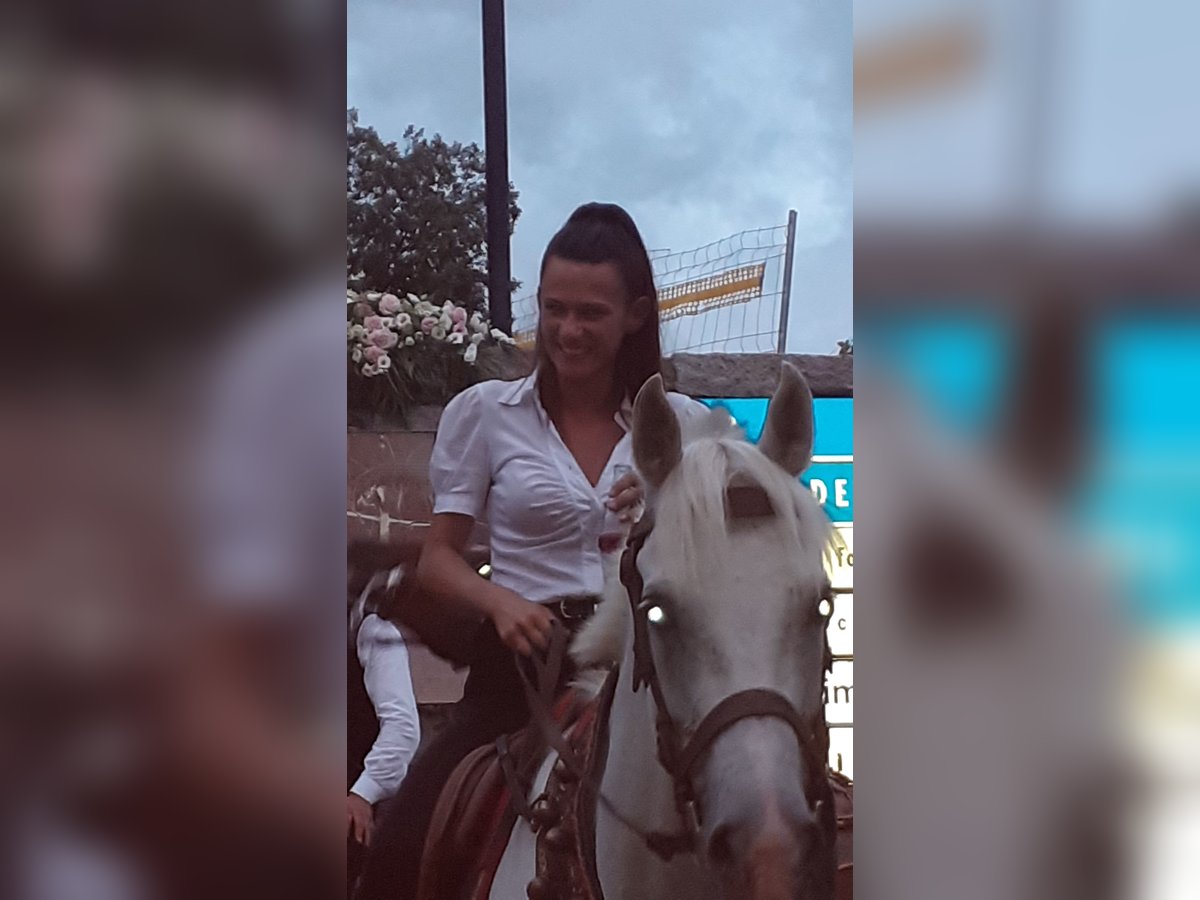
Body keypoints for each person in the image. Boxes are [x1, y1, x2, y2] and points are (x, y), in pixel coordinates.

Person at [353, 202, 710, 900]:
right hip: (521, 675)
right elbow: (439, 559)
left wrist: (668, 503)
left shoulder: (684, 426)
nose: (568, 330)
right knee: (406, 839)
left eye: (591, 313)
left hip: (644, 671)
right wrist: (500, 602)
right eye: (555, 309)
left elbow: (715, 557)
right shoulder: (486, 412)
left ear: (635, 315)